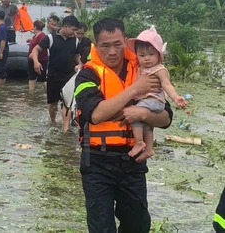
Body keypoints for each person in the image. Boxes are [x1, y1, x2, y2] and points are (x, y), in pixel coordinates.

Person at [74, 18, 174, 232]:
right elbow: (96, 115)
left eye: (117, 44)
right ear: (95, 45)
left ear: (126, 42)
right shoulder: (86, 75)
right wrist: (135, 89)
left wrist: (142, 113)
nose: (112, 51)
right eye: (105, 46)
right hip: (97, 162)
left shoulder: (144, 69)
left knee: (137, 225)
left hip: (133, 161)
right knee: (101, 227)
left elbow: (166, 118)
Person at [125, 26, 186, 159]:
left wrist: (176, 98)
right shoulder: (139, 68)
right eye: (142, 55)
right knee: (147, 125)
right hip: (146, 100)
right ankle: (149, 149)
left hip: (154, 100)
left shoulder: (159, 69)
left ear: (159, 54)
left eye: (151, 54)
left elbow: (166, 84)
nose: (147, 58)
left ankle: (140, 143)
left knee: (134, 114)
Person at [32, 15, 81, 132]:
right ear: (66, 26)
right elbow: (36, 49)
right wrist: (36, 62)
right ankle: (53, 122)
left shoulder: (75, 41)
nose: (75, 33)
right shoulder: (51, 38)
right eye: (73, 30)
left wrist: (79, 64)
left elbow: (77, 56)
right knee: (53, 103)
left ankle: (66, 127)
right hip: (53, 75)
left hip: (69, 77)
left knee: (67, 102)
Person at [27, 21, 48, 91]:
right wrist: (31, 40)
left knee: (43, 79)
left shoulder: (42, 36)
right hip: (31, 61)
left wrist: (32, 54)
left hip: (41, 61)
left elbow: (41, 46)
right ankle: (31, 92)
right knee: (31, 77)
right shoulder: (35, 36)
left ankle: (48, 91)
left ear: (35, 27)